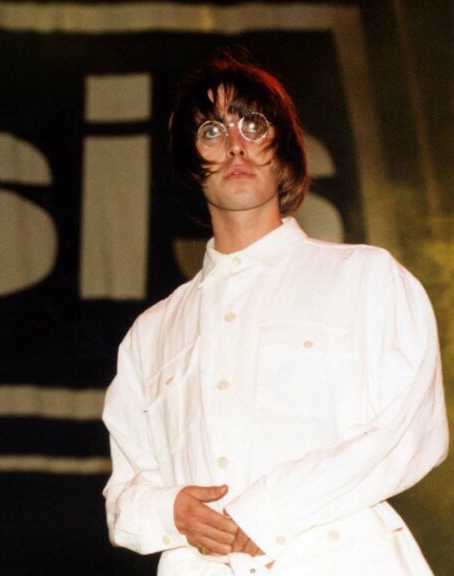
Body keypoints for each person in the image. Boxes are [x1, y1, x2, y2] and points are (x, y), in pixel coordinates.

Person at [101, 52, 448, 575]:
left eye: (254, 125)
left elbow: (411, 431)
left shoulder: (365, 277)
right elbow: (124, 494)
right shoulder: (152, 333)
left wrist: (268, 511)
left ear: (283, 153)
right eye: (212, 131)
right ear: (190, 163)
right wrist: (170, 510)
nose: (236, 144)